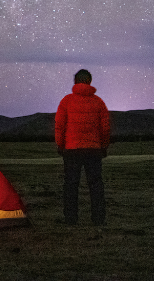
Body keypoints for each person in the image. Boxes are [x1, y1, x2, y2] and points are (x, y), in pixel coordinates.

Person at [54, 69, 111, 225]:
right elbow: (105, 127)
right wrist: (103, 146)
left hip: (71, 149)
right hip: (93, 149)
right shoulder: (98, 102)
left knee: (71, 185)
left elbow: (59, 125)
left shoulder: (66, 101)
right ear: (90, 81)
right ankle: (98, 219)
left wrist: (60, 144)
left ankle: (71, 219)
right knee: (96, 185)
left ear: (75, 82)